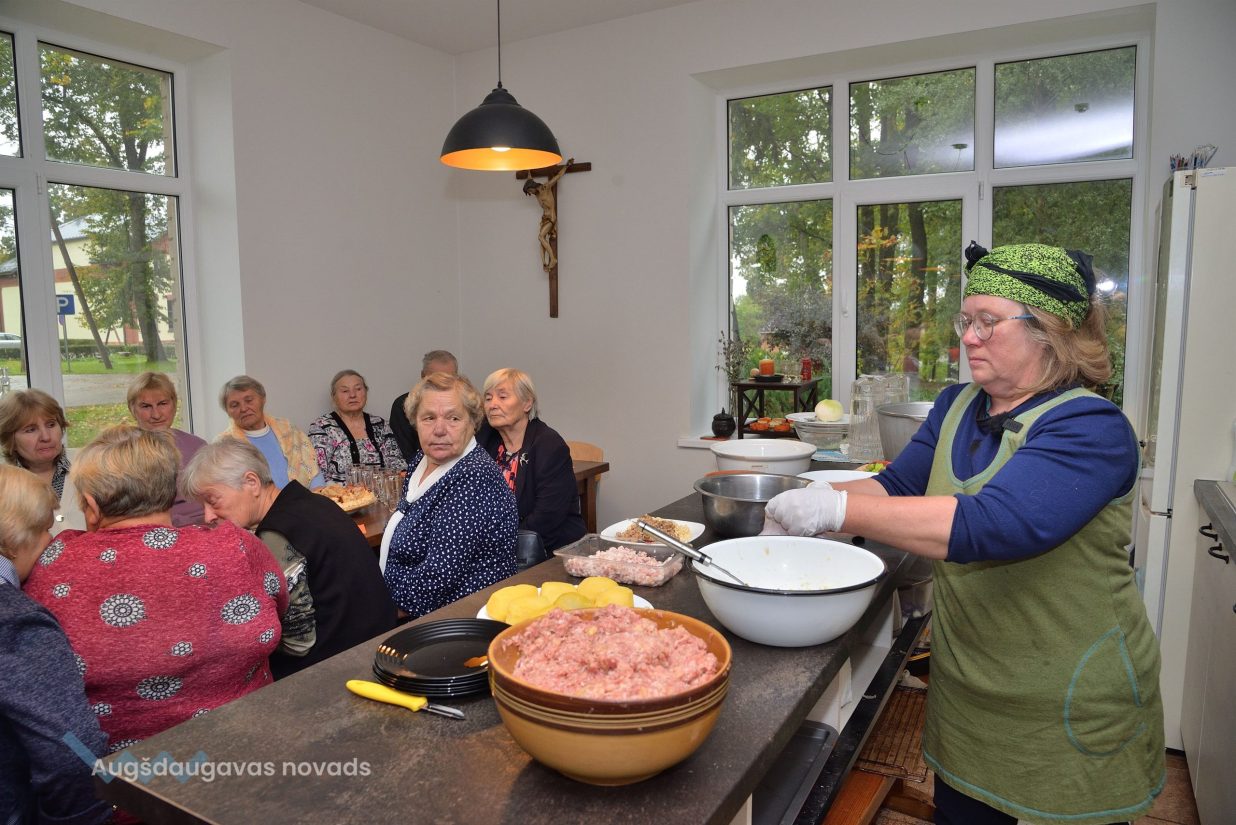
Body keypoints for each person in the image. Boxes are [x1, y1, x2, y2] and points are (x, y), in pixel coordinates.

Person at [764, 242, 1163, 825]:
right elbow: (897, 488)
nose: (968, 338)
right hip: (970, 692)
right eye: (966, 321)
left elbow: (994, 524)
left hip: (1067, 699)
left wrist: (834, 511)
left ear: (1050, 333)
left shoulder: (1090, 428)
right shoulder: (957, 406)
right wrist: (792, 503)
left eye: (988, 322)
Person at [24, 426, 288, 758]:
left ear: (91, 505)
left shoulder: (56, 563)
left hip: (130, 776)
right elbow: (280, 606)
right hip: (253, 753)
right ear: (170, 491)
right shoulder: (237, 545)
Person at [182, 438, 397, 679]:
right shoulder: (314, 502)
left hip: (342, 666)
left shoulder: (277, 532)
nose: (208, 516)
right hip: (380, 641)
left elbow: (298, 643)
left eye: (212, 501)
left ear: (252, 482)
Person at [0, 465, 112, 825]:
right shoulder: (16, 620)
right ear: (16, 536)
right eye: (46, 529)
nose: (51, 541)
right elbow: (70, 749)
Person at [381, 373, 517, 618]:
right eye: (429, 418)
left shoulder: (474, 476)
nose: (439, 430)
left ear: (473, 423)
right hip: (405, 602)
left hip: (456, 617)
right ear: (415, 422)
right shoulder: (421, 461)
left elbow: (437, 578)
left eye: (453, 418)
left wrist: (377, 612)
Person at [478, 368, 585, 552]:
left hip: (547, 549)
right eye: (488, 398)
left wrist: (499, 546)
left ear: (527, 403)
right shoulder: (485, 438)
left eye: (502, 397)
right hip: (496, 545)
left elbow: (547, 517)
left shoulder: (549, 445)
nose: (492, 405)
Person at [127, 371, 208, 526]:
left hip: (207, 526)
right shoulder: (123, 454)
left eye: (163, 404)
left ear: (174, 404)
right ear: (132, 409)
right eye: (146, 406)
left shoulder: (198, 446)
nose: (156, 414)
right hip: (157, 530)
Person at [218, 374, 324, 489]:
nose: (243, 408)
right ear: (227, 411)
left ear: (263, 399)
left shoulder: (288, 429)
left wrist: (318, 495)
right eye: (234, 405)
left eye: (249, 400)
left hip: (305, 497)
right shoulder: (224, 445)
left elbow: (313, 470)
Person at [0, 388, 84, 533]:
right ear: (10, 439)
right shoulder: (4, 481)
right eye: (31, 430)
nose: (46, 437)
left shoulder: (90, 464)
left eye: (51, 425)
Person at [308, 369, 406, 484]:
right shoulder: (321, 427)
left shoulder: (381, 425)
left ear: (366, 392)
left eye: (358, 389)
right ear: (334, 396)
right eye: (345, 391)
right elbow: (316, 473)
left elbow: (397, 465)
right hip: (338, 494)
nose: (353, 395)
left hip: (382, 492)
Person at [389, 350, 459, 462]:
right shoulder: (404, 404)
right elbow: (404, 451)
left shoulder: (463, 404)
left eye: (448, 378)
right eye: (436, 377)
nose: (442, 383)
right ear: (423, 376)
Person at [523, 158, 570, 272]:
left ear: (532, 186)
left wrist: (567, 166)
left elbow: (558, 176)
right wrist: (528, 167)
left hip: (551, 218)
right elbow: (529, 177)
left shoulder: (546, 187)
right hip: (544, 219)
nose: (531, 194)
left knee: (540, 237)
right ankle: (544, 263)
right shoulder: (536, 194)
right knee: (542, 240)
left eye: (530, 191)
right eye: (529, 193)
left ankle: (553, 259)